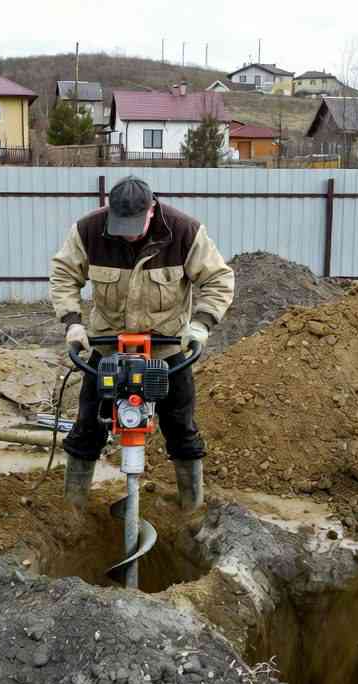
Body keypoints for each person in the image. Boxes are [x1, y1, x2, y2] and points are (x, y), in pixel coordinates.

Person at [49, 176, 234, 512]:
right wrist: (73, 323)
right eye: (121, 226)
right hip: (108, 347)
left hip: (166, 349)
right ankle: (72, 512)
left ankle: (191, 510)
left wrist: (201, 324)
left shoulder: (184, 231)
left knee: (181, 428)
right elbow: (64, 274)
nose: (128, 234)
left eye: (135, 226)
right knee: (87, 427)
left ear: (152, 210)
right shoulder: (89, 230)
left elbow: (218, 279)